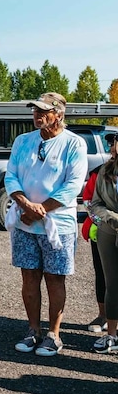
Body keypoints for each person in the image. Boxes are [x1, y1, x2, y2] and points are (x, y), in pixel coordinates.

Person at [5, 92, 87, 357]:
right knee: (28, 276)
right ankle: (33, 330)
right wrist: (26, 206)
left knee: (55, 278)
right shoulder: (23, 141)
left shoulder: (73, 144)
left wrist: (42, 209)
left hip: (58, 224)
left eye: (43, 111)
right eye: (34, 111)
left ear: (59, 114)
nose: (37, 115)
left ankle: (53, 333)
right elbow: (11, 177)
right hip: (25, 221)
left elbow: (73, 185)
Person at [89, 133, 118, 353]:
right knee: (112, 284)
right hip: (109, 232)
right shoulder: (105, 170)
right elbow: (94, 203)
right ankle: (112, 335)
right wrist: (110, 216)